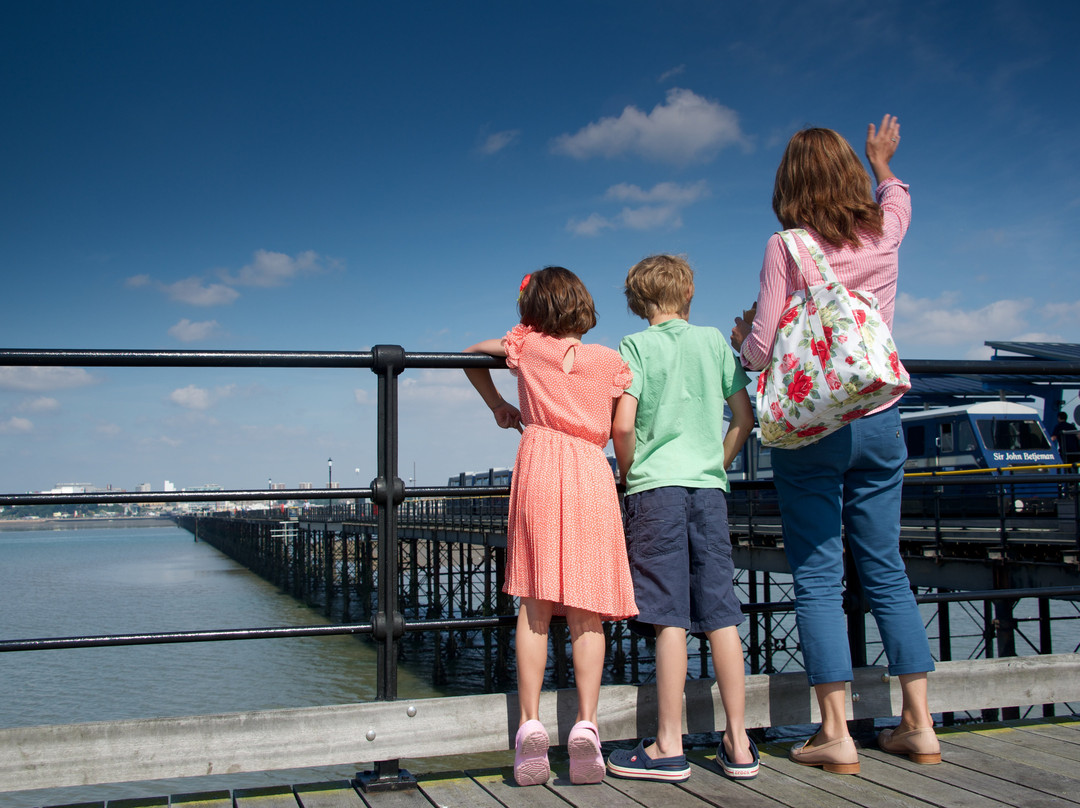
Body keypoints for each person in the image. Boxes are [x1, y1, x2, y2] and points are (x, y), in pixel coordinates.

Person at [730, 115, 940, 774]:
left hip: (813, 424)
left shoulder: (785, 248)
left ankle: (834, 734)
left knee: (819, 577)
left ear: (789, 185)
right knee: (885, 567)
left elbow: (763, 349)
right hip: (880, 415)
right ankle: (920, 725)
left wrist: (742, 335)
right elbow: (900, 200)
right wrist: (882, 163)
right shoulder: (885, 232)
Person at [464, 266, 637, 787]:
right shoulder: (612, 362)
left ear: (534, 310)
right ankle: (586, 723)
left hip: (539, 459)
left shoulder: (528, 347)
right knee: (587, 608)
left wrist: (499, 404)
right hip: (590, 467)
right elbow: (623, 426)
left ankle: (530, 723)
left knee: (535, 603)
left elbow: (473, 355)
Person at [606, 254, 757, 783]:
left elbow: (623, 427)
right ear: (688, 293)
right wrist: (717, 462)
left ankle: (668, 745)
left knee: (667, 613)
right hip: (707, 490)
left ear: (637, 301)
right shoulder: (715, 340)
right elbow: (744, 416)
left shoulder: (635, 346)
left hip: (656, 490)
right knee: (720, 611)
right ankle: (738, 744)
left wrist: (631, 473)